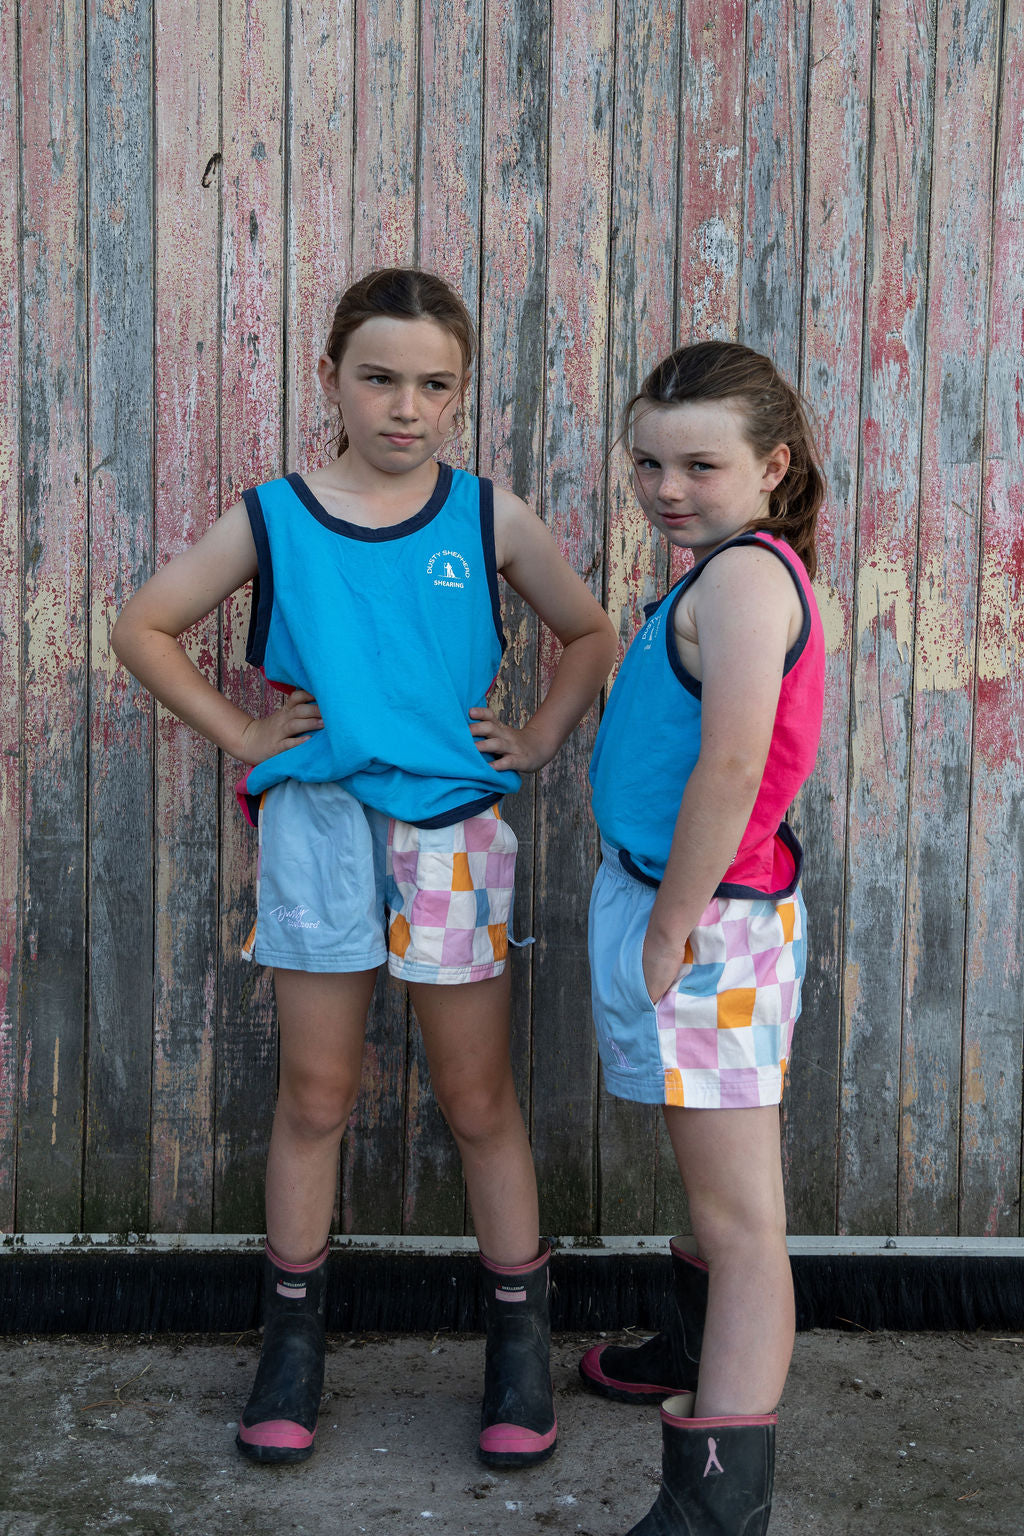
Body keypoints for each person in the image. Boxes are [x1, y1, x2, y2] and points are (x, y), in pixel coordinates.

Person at [112, 267, 617, 1470]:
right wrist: (244, 734)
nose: (406, 406)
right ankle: (290, 1347)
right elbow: (143, 626)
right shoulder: (274, 516)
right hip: (321, 829)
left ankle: (518, 1346)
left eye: (434, 385)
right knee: (315, 1095)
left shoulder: (487, 515)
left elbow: (590, 631)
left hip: (449, 834)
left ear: (461, 393)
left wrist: (538, 735)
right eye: (380, 378)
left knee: (478, 1099)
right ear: (329, 377)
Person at [578, 341, 825, 1534]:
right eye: (647, 463)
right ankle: (691, 1342)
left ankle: (716, 1504)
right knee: (714, 1182)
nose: (665, 488)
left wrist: (671, 925)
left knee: (744, 1225)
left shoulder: (743, 582)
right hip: (687, 910)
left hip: (710, 924)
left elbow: (732, 767)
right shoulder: (724, 571)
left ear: (771, 466)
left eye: (699, 465)